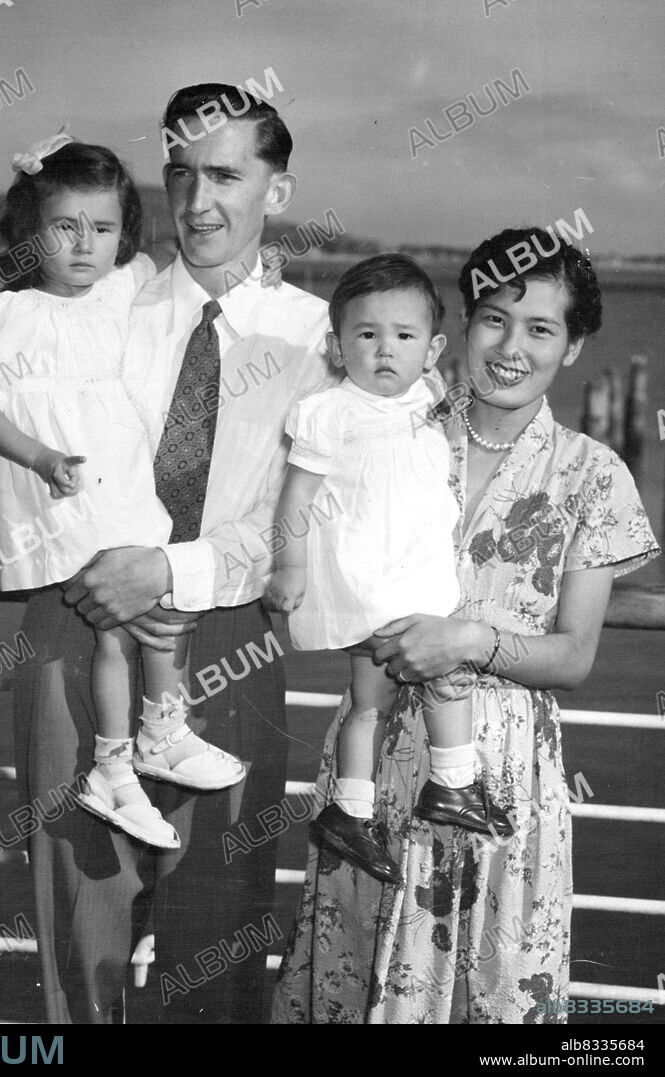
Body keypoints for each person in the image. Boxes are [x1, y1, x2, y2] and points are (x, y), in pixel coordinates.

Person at [272, 227, 659, 1024]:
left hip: (502, 775)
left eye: (540, 328)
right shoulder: (398, 423)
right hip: (373, 761)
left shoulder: (593, 473)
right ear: (462, 326)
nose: (510, 347)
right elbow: (296, 520)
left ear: (575, 344)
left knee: (491, 1003)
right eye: (493, 319)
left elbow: (574, 656)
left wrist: (468, 640)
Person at [12, 84, 334, 1023]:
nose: (198, 201)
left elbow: (303, 517)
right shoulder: (103, 304)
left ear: (276, 190)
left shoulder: (319, 337)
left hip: (228, 634)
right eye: (181, 173)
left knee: (218, 925)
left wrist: (169, 571)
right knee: (80, 915)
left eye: (227, 175)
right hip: (80, 622)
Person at [0, 132, 246, 853]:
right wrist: (39, 455)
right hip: (64, 489)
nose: (85, 245)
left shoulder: (125, 285)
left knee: (149, 605)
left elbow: (192, 268)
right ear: (32, 231)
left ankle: (151, 736)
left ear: (123, 234)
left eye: (103, 228)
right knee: (120, 625)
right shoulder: (9, 312)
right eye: (65, 227)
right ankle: (120, 759)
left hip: (122, 480)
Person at [266, 254, 513, 888]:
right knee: (445, 670)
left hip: (409, 564)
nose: (384, 351)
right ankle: (453, 782)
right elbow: (296, 496)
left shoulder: (427, 395)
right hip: (375, 574)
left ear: (431, 350)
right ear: (336, 345)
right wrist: (289, 566)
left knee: (368, 702)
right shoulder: (329, 411)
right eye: (366, 335)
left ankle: (351, 810)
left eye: (403, 337)